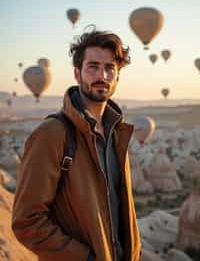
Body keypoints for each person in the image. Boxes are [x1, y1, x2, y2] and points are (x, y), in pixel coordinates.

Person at [12, 26, 141, 261]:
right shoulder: (52, 133)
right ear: (77, 73)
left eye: (110, 68)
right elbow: (26, 221)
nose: (102, 75)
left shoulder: (117, 134)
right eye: (93, 67)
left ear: (118, 75)